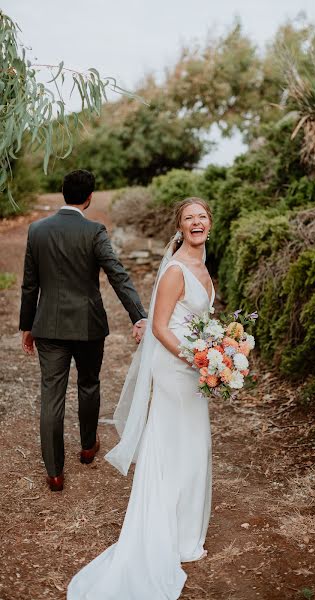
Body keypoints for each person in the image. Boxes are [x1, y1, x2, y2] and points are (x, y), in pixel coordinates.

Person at [68, 197, 214, 600]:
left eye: (202, 217)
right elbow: (162, 328)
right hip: (176, 370)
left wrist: (222, 350)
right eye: (189, 218)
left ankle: (185, 533)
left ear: (210, 224)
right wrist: (196, 358)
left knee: (193, 445)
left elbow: (199, 321)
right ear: (180, 227)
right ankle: (167, 532)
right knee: (177, 446)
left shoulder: (203, 265)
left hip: (195, 369)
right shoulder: (175, 270)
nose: (197, 222)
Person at [19, 169, 147, 492]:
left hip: (47, 326)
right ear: (89, 198)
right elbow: (118, 275)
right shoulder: (94, 231)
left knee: (52, 395)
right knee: (89, 384)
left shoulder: (37, 230)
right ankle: (88, 447)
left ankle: (54, 473)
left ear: (62, 192)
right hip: (88, 326)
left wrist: (26, 325)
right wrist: (138, 315)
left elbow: (29, 284)